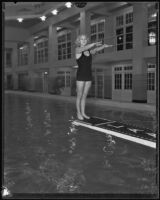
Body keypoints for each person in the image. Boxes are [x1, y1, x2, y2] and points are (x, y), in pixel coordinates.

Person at [75, 34, 112, 120]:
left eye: (85, 39)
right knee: (79, 95)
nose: (83, 40)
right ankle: (78, 113)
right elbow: (85, 48)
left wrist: (104, 46)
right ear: (79, 41)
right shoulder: (78, 50)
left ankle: (83, 113)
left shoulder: (89, 51)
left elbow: (95, 50)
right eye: (81, 39)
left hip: (88, 75)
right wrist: (94, 44)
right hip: (80, 75)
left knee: (84, 96)